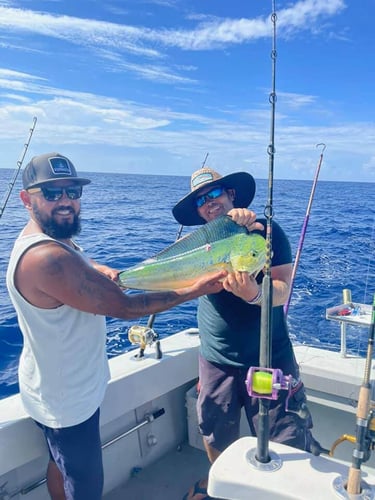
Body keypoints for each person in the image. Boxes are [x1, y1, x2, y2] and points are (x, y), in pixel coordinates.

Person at [6, 153, 226, 500]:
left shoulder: (47, 238)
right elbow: (126, 307)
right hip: (67, 400)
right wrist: (194, 290)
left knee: (59, 464)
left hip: (48, 384)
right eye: (52, 194)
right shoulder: (46, 258)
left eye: (72, 192)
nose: (66, 201)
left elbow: (74, 261)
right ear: (25, 199)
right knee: (85, 483)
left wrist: (98, 269)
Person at [172, 167, 322, 500]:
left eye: (215, 194)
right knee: (214, 435)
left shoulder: (265, 231)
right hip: (215, 359)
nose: (209, 204)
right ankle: (222, 487)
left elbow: (283, 288)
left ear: (231, 196)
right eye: (201, 200)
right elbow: (176, 285)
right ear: (197, 211)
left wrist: (255, 294)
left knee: (286, 442)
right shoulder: (195, 245)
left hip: (269, 357)